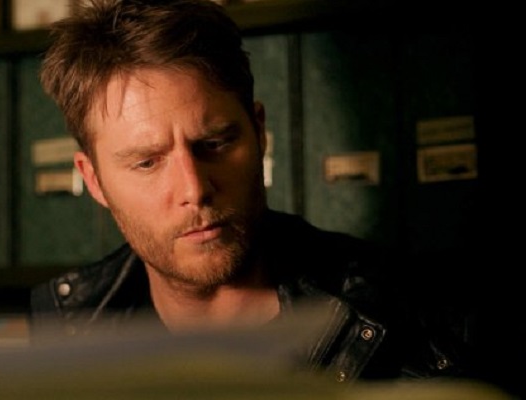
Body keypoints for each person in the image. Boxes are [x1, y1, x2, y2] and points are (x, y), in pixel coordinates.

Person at [29, 0, 489, 392]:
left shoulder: (422, 321)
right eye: (147, 162)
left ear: (259, 131)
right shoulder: (64, 330)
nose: (194, 189)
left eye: (215, 144)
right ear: (94, 181)